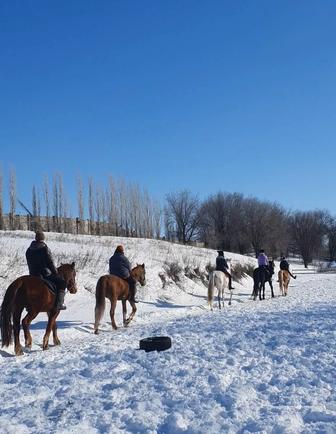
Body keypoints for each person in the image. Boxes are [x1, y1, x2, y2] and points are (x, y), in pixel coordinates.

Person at [26, 230, 66, 310]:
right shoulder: (44, 249)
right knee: (62, 283)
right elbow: (50, 262)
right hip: (45, 274)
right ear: (43, 238)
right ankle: (59, 304)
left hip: (33, 274)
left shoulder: (28, 250)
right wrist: (56, 272)